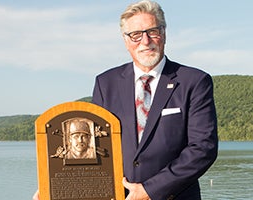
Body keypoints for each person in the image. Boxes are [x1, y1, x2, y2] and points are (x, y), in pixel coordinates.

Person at [33, 0, 218, 199]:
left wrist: (150, 190)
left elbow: (203, 148)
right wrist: (53, 189)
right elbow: (96, 147)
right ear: (125, 40)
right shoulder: (106, 83)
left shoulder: (194, 81)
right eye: (136, 35)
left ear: (164, 33)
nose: (145, 41)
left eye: (152, 31)